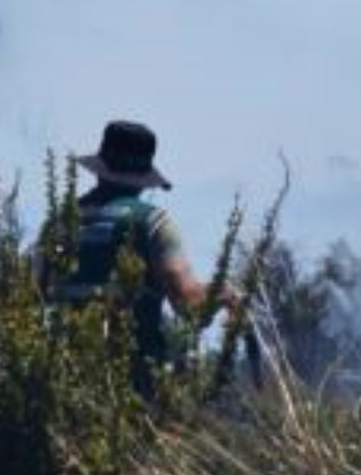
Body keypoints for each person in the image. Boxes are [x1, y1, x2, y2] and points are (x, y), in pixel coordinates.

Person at [44, 120, 234, 394]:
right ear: (143, 180)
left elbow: (33, 292)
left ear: (100, 170)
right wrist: (225, 294)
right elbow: (188, 305)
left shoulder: (60, 223)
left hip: (65, 385)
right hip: (134, 390)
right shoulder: (153, 223)